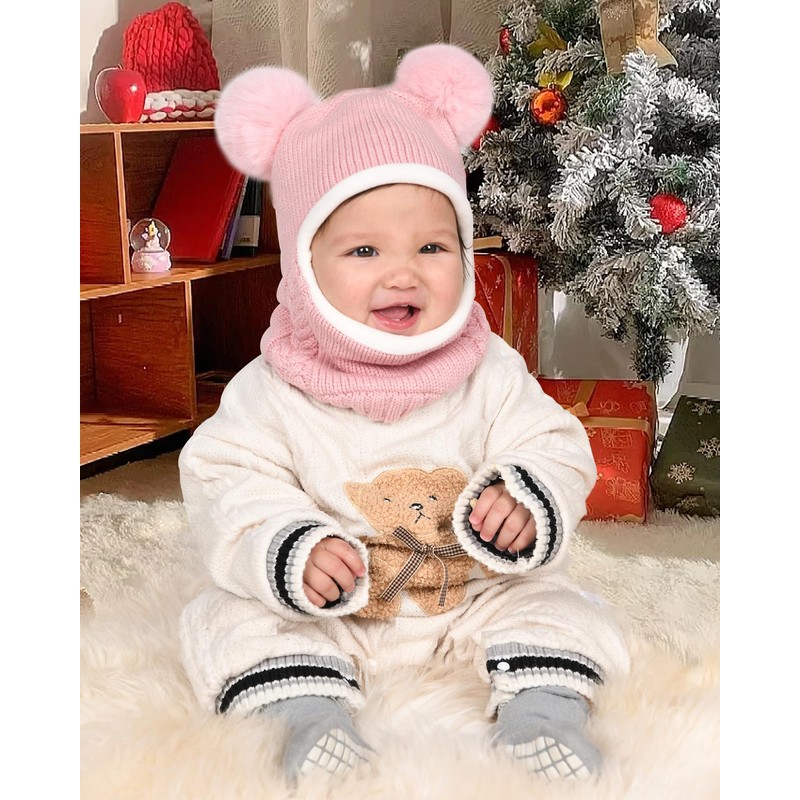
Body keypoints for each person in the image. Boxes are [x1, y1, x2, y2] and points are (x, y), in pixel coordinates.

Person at [178, 43, 630, 784]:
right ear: (302, 265)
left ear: (464, 250)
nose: (403, 272)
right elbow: (225, 479)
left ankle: (542, 713)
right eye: (363, 250)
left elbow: (554, 442)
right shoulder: (272, 388)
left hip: (473, 598)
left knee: (567, 609)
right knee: (226, 618)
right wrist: (291, 548)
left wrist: (526, 496)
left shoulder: (486, 367)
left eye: (431, 245)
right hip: (333, 614)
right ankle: (306, 715)